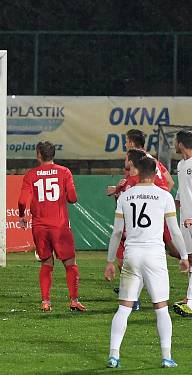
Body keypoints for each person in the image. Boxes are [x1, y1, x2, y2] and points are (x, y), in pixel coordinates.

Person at [104, 151, 189, 369]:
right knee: (161, 308)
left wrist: (110, 261)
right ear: (155, 172)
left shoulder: (125, 196)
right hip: (154, 256)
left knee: (123, 308)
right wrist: (183, 256)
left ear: (138, 172)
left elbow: (116, 233)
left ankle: (114, 355)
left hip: (132, 254)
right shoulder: (164, 196)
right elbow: (174, 231)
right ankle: (166, 357)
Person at [17, 141, 84, 312]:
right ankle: (74, 300)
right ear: (53, 154)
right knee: (70, 262)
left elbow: (22, 201)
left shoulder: (31, 174)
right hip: (60, 226)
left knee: (46, 263)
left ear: (38, 154)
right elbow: (73, 198)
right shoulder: (64, 172)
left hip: (40, 227)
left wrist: (22, 215)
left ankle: (46, 301)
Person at [173, 130, 192, 317]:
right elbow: (182, 190)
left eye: (175, 141)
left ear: (180, 143)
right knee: (190, 258)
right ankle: (189, 297)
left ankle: (191, 302)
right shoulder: (180, 164)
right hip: (184, 219)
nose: (173, 144)